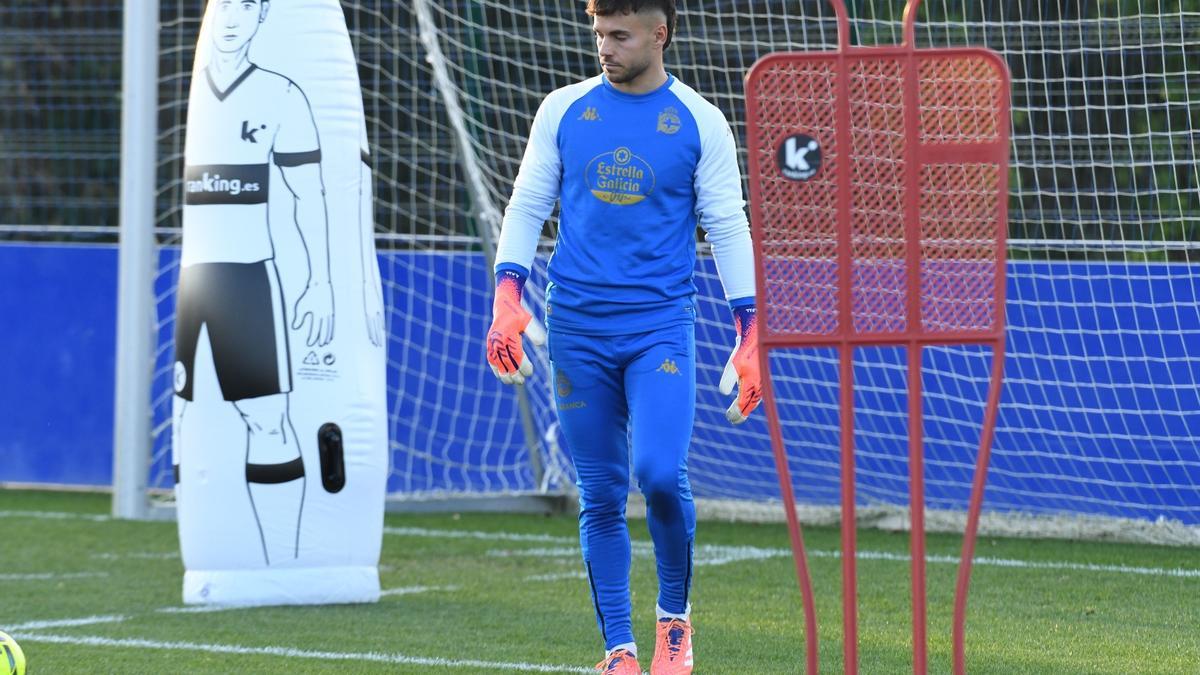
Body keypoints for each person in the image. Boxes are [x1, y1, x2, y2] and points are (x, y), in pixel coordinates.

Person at [485, 1, 761, 672]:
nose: (604, 47)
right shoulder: (562, 110)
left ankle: (674, 622)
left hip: (659, 327)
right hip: (577, 327)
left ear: (659, 35)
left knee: (660, 474)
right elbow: (526, 205)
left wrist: (751, 329)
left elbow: (728, 225)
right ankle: (619, 651)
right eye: (598, 33)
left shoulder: (700, 120)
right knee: (601, 493)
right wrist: (506, 296)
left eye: (619, 35)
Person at [173, 0, 334, 566]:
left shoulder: (281, 94)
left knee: (267, 418)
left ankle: (282, 565)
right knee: (187, 417)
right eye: (225, 4)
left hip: (247, 279)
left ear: (262, 16)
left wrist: (320, 283)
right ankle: (210, 557)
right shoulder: (196, 94)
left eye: (247, 6)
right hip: (194, 280)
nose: (232, 18)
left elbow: (309, 194)